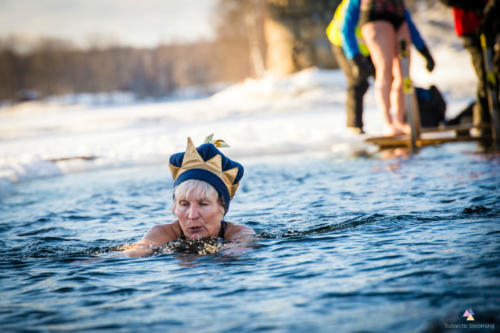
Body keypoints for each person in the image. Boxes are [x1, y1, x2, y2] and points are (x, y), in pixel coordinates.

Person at [122, 137, 255, 257]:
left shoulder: (238, 233)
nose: (192, 215)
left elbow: (241, 247)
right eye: (184, 204)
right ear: (174, 208)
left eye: (203, 204)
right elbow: (139, 250)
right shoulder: (162, 233)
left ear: (222, 208)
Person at [342, 0, 435, 136]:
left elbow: (408, 21)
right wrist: (355, 56)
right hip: (375, 18)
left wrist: (424, 51)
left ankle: (399, 120)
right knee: (385, 69)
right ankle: (388, 122)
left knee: (404, 74)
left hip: (397, 18)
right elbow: (347, 27)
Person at [439, 0, 499, 138]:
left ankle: (489, 121)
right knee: (485, 76)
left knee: (493, 75)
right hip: (470, 27)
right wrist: (477, 7)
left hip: (493, 25)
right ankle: (485, 124)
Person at [326, 0, 374, 134]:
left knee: (386, 77)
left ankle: (403, 118)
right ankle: (354, 126)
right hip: (342, 43)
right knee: (358, 81)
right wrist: (355, 59)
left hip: (366, 47)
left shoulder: (385, 4)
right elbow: (346, 32)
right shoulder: (354, 3)